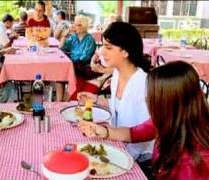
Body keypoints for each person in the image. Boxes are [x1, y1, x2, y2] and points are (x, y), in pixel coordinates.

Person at [79, 61, 209, 179]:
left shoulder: (192, 162)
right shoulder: (171, 119)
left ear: (170, 102)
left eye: (152, 96)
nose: (147, 100)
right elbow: (136, 133)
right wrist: (104, 131)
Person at [77, 22, 153, 161]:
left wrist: (107, 133)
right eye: (102, 46)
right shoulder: (118, 74)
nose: (102, 52)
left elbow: (145, 132)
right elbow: (119, 105)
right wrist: (96, 99)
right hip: (119, 144)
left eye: (108, 47)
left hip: (140, 156)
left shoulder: (143, 84)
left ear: (125, 51)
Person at [56, 15, 96, 101]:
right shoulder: (74, 37)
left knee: (65, 71)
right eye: (74, 24)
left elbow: (86, 57)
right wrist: (64, 35)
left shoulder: (90, 39)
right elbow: (61, 48)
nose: (74, 26)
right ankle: (59, 102)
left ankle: (67, 100)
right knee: (59, 74)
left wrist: (72, 62)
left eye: (77, 25)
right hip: (73, 65)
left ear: (83, 26)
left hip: (83, 67)